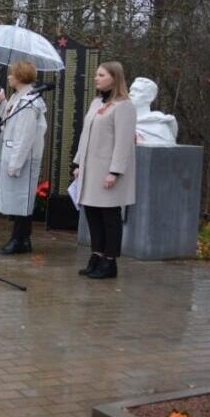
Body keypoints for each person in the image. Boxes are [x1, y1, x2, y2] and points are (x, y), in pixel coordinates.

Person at [74, 61, 137, 279]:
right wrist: (78, 163)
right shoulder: (96, 103)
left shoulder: (124, 106)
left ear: (114, 78)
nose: (96, 78)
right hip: (90, 170)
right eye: (96, 74)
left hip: (108, 171)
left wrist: (115, 171)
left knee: (110, 217)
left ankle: (110, 261)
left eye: (101, 75)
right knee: (92, 214)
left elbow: (123, 142)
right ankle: (96, 255)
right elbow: (86, 135)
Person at [0, 61, 48, 255]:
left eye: (11, 74)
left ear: (20, 76)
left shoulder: (28, 101)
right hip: (11, 154)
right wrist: (2, 104)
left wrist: (16, 163)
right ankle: (21, 238)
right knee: (15, 200)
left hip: (22, 158)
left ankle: (20, 239)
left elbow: (25, 135)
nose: (8, 77)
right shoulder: (18, 97)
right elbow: (11, 122)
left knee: (21, 200)